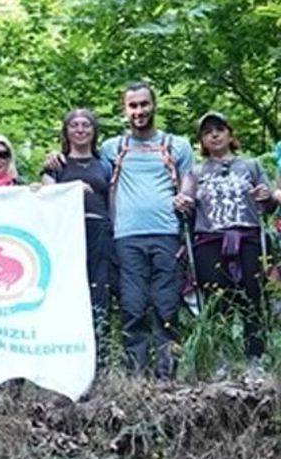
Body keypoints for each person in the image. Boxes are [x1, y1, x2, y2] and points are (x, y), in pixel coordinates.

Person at [46, 82, 193, 379]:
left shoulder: (178, 145)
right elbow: (79, 162)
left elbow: (189, 179)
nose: (139, 111)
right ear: (125, 110)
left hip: (167, 234)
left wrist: (186, 197)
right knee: (132, 307)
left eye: (144, 104)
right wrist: (54, 160)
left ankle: (167, 376)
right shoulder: (114, 148)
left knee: (166, 308)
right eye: (133, 106)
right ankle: (135, 377)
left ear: (154, 105)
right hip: (125, 238)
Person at [174, 112, 275, 377]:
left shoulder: (251, 166)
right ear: (202, 141)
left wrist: (265, 195)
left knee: (253, 298)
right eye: (208, 132)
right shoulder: (194, 172)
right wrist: (182, 201)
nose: (215, 135)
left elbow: (270, 201)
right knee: (217, 301)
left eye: (219, 129)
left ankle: (256, 360)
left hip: (249, 240)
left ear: (230, 134)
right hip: (209, 241)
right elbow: (184, 198)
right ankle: (221, 360)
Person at [42, 109, 114, 369]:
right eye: (74, 125)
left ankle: (101, 362)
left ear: (94, 132)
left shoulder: (105, 164)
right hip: (67, 236)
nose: (81, 129)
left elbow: (113, 201)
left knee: (100, 295)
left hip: (100, 233)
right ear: (66, 131)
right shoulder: (56, 164)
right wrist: (71, 190)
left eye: (86, 125)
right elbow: (45, 193)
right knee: (68, 295)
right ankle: (66, 362)